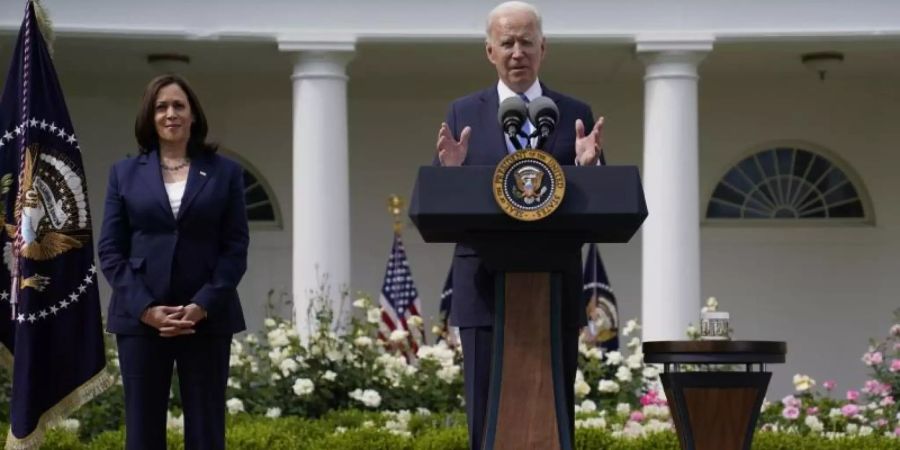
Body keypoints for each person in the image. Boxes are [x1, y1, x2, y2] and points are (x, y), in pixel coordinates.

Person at [434, 2, 605, 448]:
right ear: (489, 51)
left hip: (554, 288)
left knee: (552, 412)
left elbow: (597, 203)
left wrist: (590, 166)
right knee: (485, 418)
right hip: (483, 287)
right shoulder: (463, 113)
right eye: (506, 42)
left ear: (543, 49)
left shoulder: (574, 113)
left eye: (526, 42)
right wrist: (450, 177)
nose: (517, 52)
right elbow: (447, 208)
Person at [98, 74, 249, 450]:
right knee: (143, 433)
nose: (171, 114)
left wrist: (202, 306)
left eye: (179, 105)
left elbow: (235, 247)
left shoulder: (225, 172)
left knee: (207, 432)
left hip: (207, 319)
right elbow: (110, 250)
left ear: (193, 115)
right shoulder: (124, 173)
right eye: (161, 106)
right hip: (142, 320)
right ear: (149, 117)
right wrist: (146, 309)